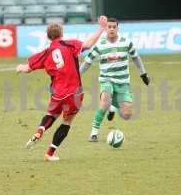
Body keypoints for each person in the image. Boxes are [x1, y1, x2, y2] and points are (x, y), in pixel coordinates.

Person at [16, 16, 108, 161]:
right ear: (62, 33)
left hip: (57, 93)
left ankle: (40, 130)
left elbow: (28, 68)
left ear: (48, 37)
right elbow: (89, 44)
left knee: (51, 114)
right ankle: (49, 153)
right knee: (67, 121)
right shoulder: (69, 44)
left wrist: (20, 68)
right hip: (74, 92)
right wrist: (101, 28)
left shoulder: (46, 52)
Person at [80, 17, 150, 142]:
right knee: (105, 99)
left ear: (118, 28)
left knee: (127, 115)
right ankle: (94, 133)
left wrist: (143, 73)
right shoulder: (100, 45)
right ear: (106, 28)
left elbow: (136, 58)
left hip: (123, 83)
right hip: (106, 80)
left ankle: (113, 107)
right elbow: (87, 62)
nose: (111, 29)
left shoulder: (126, 42)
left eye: (114, 27)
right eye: (109, 27)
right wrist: (77, 76)